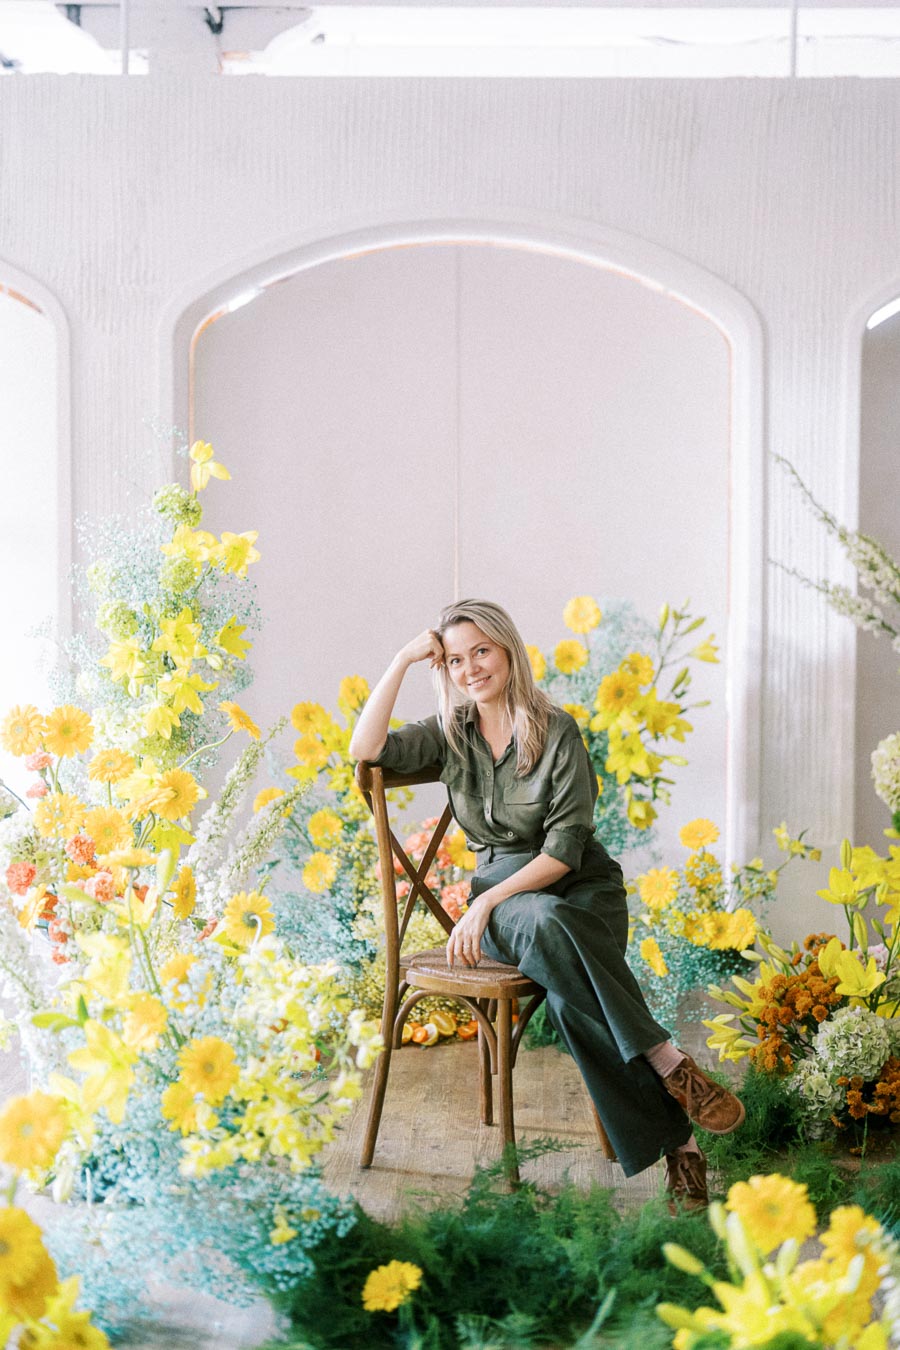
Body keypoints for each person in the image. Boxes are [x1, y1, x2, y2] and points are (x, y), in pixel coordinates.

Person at [349, 598, 744, 1209]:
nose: (471, 669)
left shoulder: (556, 729)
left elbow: (564, 852)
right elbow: (364, 748)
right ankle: (669, 1066)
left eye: (482, 651)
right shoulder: (449, 733)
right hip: (516, 911)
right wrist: (403, 659)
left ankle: (681, 1146)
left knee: (568, 994)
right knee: (546, 922)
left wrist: (483, 903)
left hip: (582, 888)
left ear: (508, 650)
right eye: (455, 659)